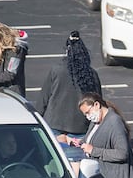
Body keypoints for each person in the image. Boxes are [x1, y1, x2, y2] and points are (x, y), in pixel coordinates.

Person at [37, 31, 102, 164]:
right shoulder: (91, 74)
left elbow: (43, 99)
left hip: (54, 124)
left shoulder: (56, 70)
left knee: (53, 165)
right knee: (76, 166)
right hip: (79, 128)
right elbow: (99, 103)